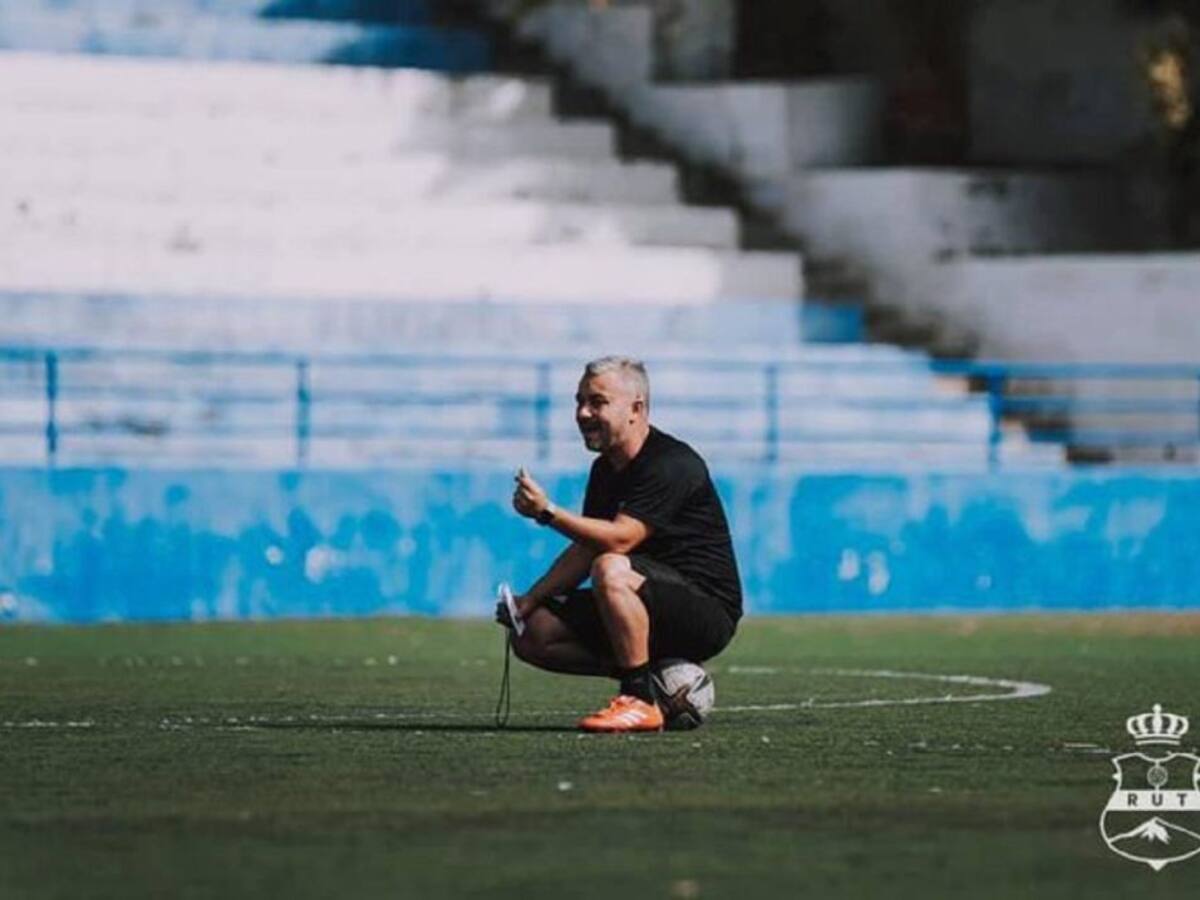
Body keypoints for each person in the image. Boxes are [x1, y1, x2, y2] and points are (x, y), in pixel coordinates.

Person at [501, 355, 742, 733]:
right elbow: (587, 547)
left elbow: (621, 538)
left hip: (706, 611)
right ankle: (652, 677)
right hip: (638, 595)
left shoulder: (671, 463)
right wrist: (529, 601)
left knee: (612, 567)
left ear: (636, 409)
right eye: (579, 401)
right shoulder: (605, 469)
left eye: (596, 402)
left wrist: (547, 512)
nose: (582, 413)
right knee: (533, 634)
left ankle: (639, 699)